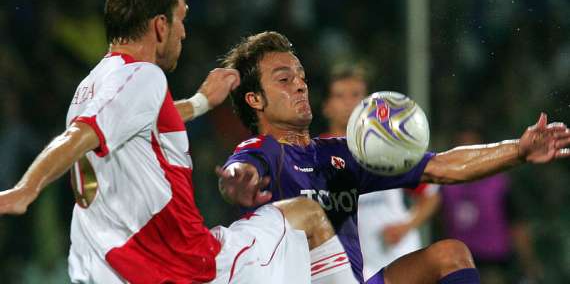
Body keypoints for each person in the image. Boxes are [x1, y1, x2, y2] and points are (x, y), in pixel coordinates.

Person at [0, 0, 353, 283]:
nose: (184, 32)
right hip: (192, 266)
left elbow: (137, 120)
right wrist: (25, 190)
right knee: (307, 214)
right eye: (180, 19)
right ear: (160, 25)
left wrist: (199, 103)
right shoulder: (144, 75)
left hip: (117, 268)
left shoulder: (92, 85)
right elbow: (82, 134)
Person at [215, 31, 570, 284]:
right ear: (255, 100)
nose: (300, 84)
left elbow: (441, 167)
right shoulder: (265, 152)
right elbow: (241, 168)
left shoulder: (340, 154)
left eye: (301, 76)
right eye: (284, 78)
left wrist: (518, 150)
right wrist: (236, 180)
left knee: (450, 255)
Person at [320, 66, 441, 281]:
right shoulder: (317, 155)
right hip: (354, 267)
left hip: (401, 256)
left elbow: (430, 197)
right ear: (326, 106)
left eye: (356, 95)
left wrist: (406, 225)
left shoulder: (387, 146)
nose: (349, 103)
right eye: (340, 96)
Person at [440, 126, 543, 284]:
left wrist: (529, 264)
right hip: (457, 263)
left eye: (470, 149)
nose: (465, 157)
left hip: (493, 263)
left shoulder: (500, 185)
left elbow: (517, 226)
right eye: (459, 149)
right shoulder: (444, 185)